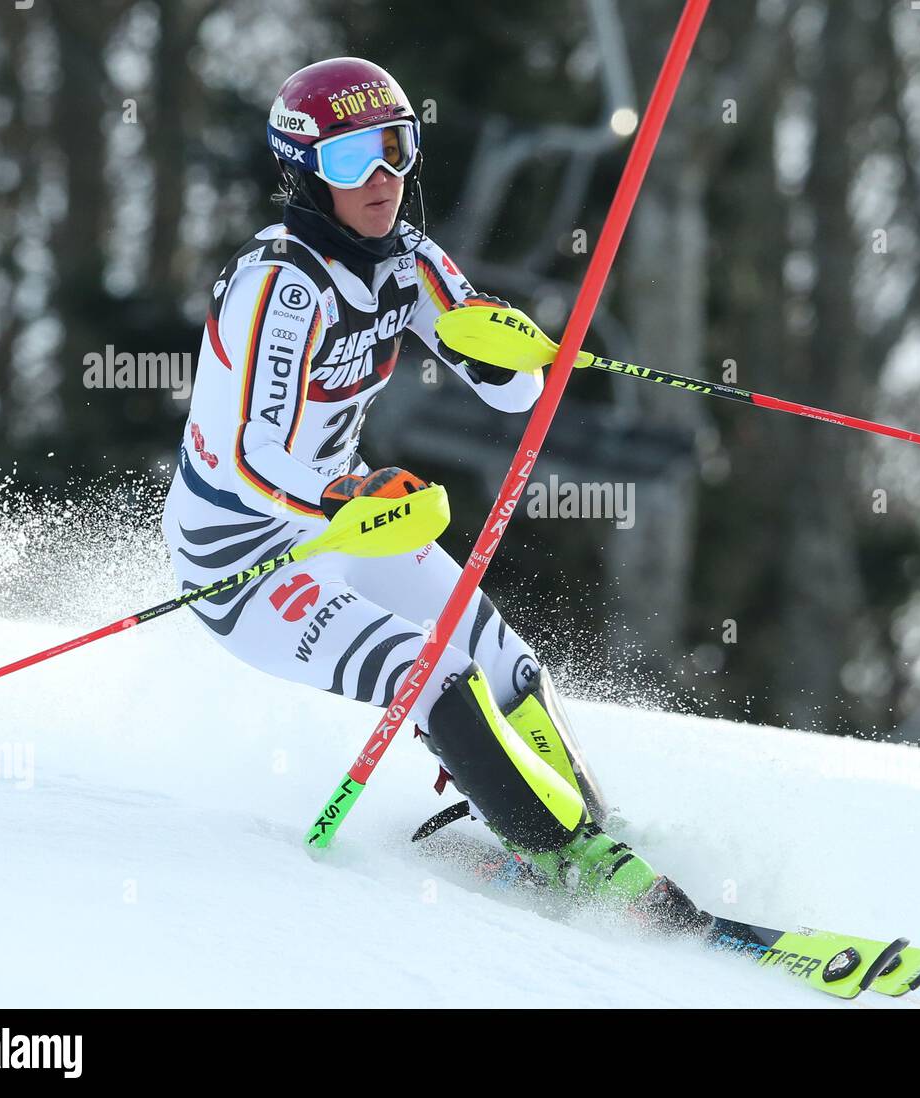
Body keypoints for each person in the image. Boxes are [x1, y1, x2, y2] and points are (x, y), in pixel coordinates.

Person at [161, 57, 704, 931]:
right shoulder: (280, 286)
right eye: (351, 161)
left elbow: (509, 390)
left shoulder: (409, 258)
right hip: (245, 556)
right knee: (432, 669)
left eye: (396, 149)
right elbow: (244, 459)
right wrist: (345, 495)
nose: (381, 178)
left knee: (511, 668)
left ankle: (592, 831)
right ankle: (559, 855)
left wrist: (511, 354)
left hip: (350, 522)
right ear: (303, 173)